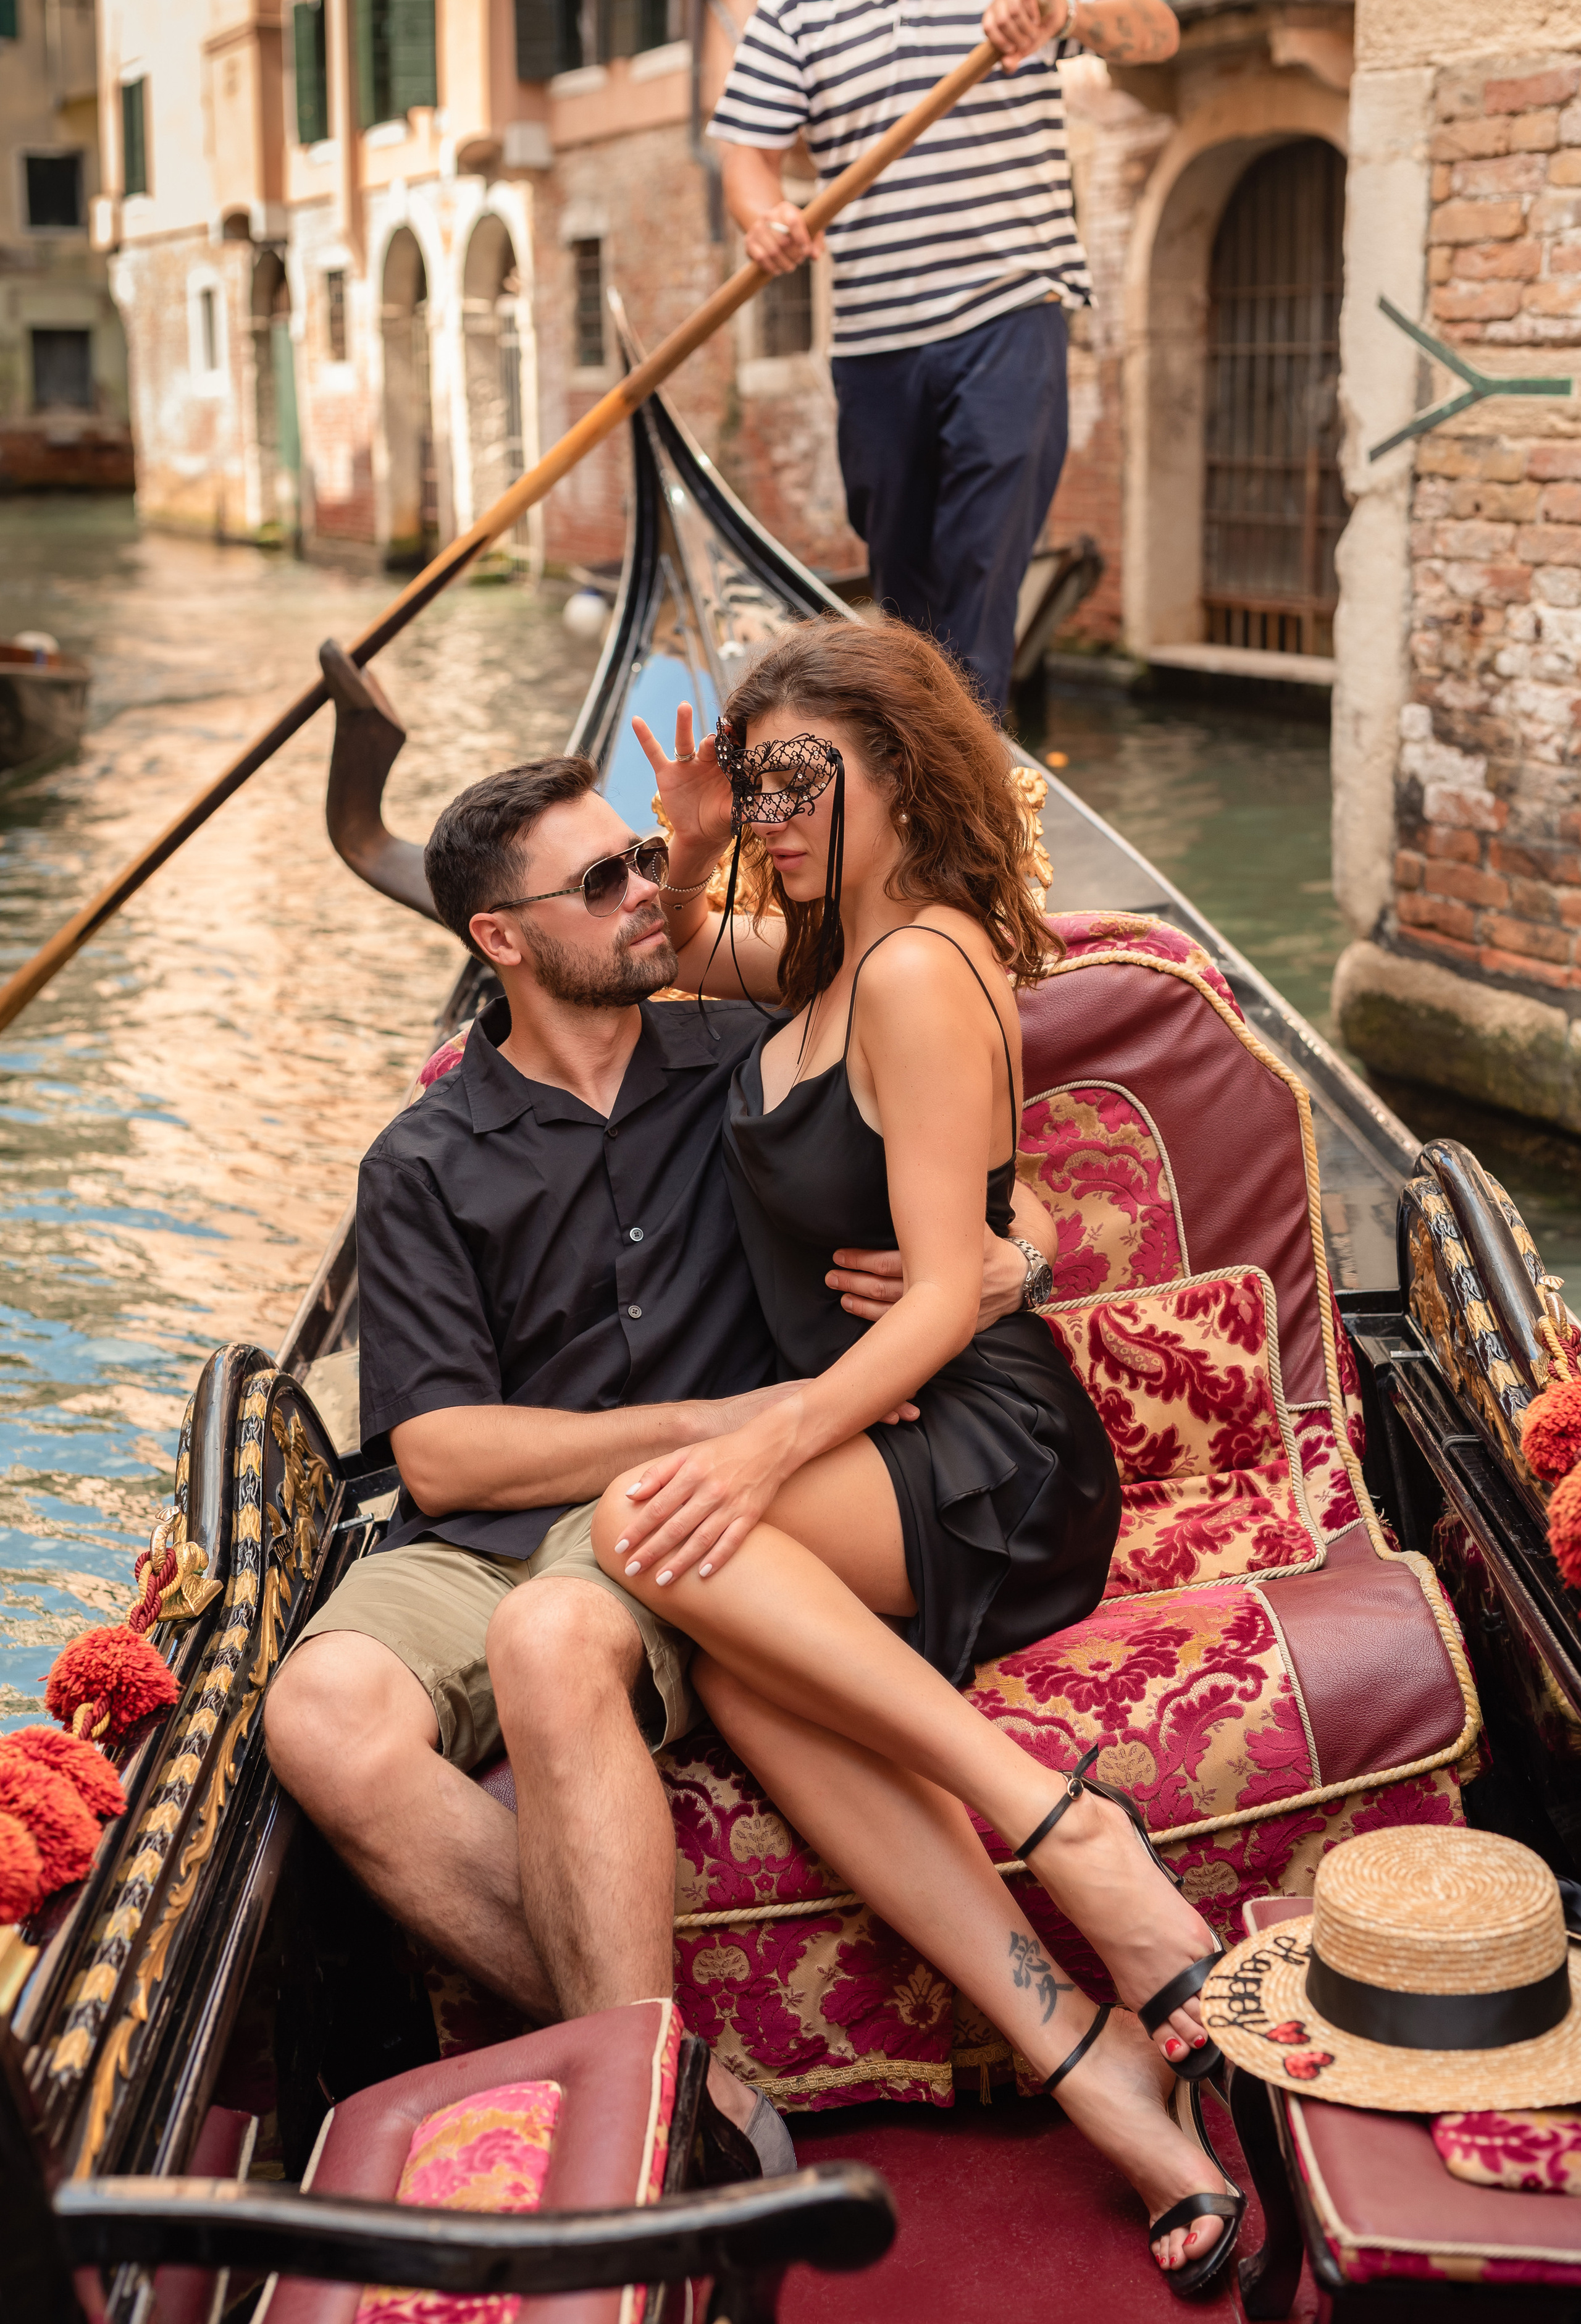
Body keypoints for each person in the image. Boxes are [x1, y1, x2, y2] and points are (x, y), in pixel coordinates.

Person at [262, 755, 1044, 2165]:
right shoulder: (423, 1161)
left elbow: (981, 1165)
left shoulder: (748, 1059)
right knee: (315, 1710)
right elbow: (439, 1455)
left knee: (560, 1631)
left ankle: (635, 2150)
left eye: (638, 857)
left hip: (681, 1538)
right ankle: (687, 2081)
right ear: (498, 940)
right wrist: (708, 1420)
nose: (647, 899)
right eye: (602, 882)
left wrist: (1009, 1260)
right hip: (494, 1529)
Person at [598, 615, 1243, 2291]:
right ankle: (1093, 2065)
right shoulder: (823, 956)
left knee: (660, 1534)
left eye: (806, 778)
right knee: (742, 1676)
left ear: (899, 769)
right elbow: (683, 952)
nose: (779, 813)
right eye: (762, 785)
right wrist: (691, 850)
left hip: (990, 1447)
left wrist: (757, 1450)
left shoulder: (914, 969)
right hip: (888, 1441)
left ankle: (1075, 1829)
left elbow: (950, 1290)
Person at [709, 0, 1180, 713]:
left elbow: (1157, 31)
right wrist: (765, 218)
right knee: (905, 588)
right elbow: (747, 157)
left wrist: (1064, 16)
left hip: (1009, 309)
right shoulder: (792, 13)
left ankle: (964, 783)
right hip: (872, 338)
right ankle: (917, 763)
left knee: (979, 568)